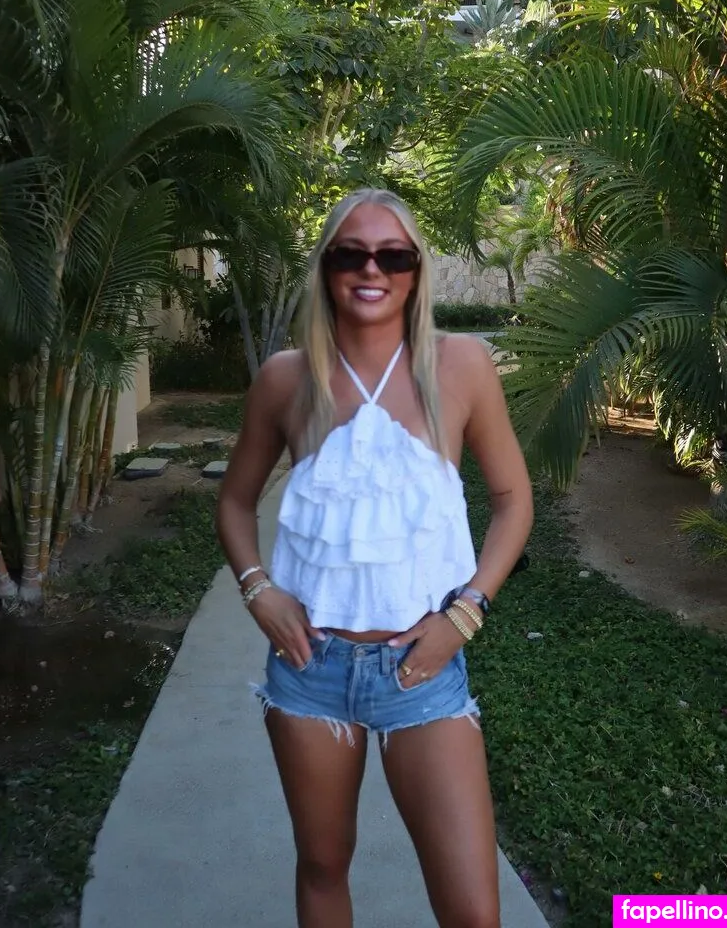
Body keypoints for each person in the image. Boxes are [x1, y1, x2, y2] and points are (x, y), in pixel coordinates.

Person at [216, 188, 534, 928]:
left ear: (417, 271)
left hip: (423, 674)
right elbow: (233, 502)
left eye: (394, 256)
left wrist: (466, 612)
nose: (372, 270)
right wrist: (259, 588)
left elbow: (514, 500)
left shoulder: (461, 366)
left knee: (472, 911)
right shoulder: (286, 378)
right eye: (350, 254)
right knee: (323, 868)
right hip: (310, 672)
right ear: (326, 267)